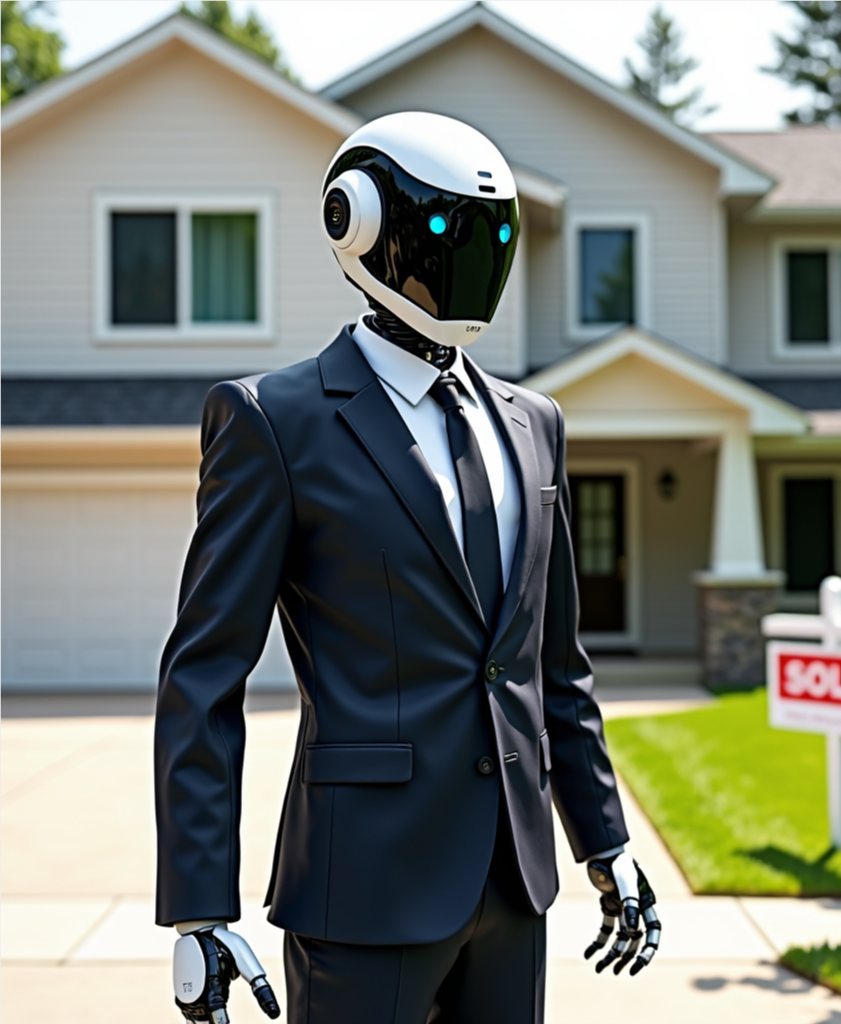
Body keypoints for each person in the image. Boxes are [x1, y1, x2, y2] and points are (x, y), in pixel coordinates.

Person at [155, 111, 660, 1024]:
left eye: (493, 233)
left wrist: (605, 841)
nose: (471, 257)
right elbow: (203, 673)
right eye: (445, 230)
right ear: (357, 223)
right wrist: (199, 908)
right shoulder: (276, 422)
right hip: (365, 888)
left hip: (515, 886)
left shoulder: (534, 424)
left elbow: (554, 667)